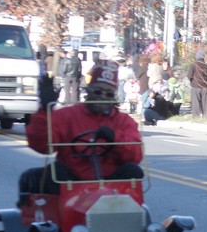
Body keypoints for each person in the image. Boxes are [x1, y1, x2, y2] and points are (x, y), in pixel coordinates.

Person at [19, 61, 143, 196]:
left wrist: (114, 137)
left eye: (108, 94)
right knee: (55, 170)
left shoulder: (124, 121)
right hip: (73, 183)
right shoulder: (67, 115)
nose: (102, 97)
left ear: (113, 98)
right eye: (98, 91)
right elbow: (42, 146)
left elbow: (135, 155)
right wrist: (44, 110)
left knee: (133, 170)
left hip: (111, 186)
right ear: (89, 92)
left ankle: (124, 211)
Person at [187, 51, 207, 117]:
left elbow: (189, 76)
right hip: (205, 86)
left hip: (195, 86)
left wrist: (192, 81)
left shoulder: (193, 65)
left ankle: (196, 115)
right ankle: (205, 115)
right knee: (205, 102)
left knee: (195, 102)